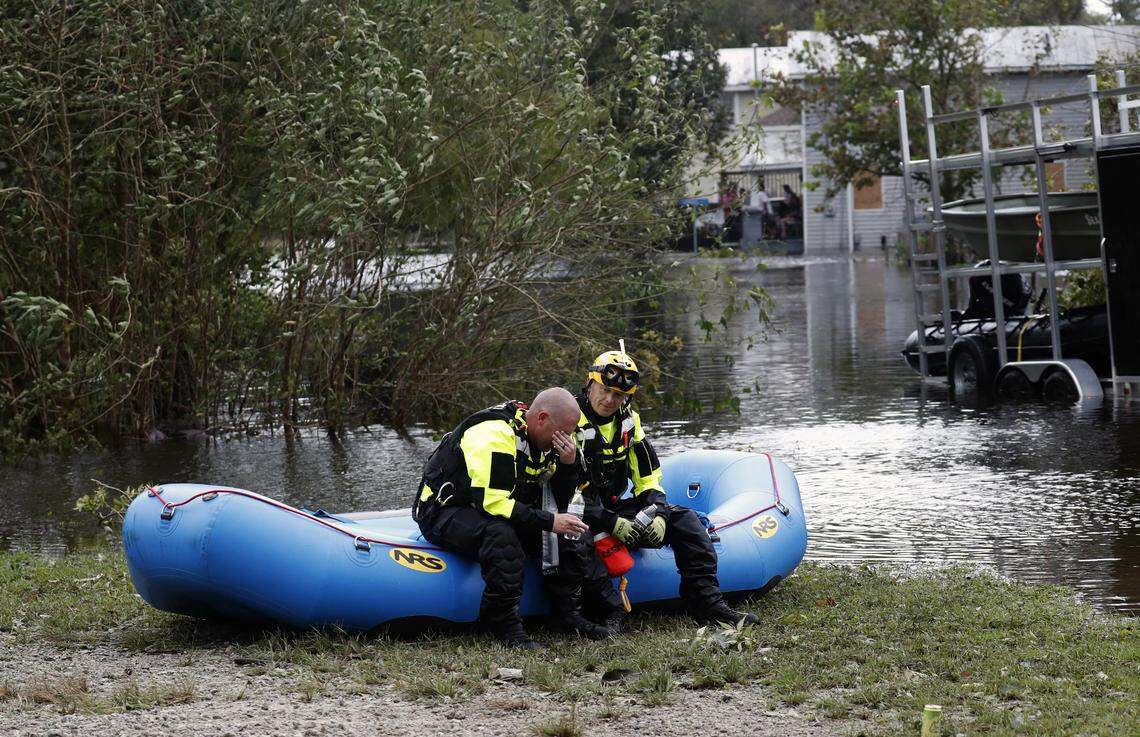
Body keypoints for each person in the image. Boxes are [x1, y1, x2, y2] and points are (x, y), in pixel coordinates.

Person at [576, 348, 759, 628]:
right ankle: (602, 611)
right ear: (590, 383)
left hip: (611, 506)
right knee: (578, 540)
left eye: (619, 395)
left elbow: (648, 477)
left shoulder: (628, 423)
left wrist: (657, 512)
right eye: (605, 390)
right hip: (574, 512)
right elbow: (565, 491)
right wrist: (610, 522)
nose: (610, 400)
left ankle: (706, 603)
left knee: (684, 519)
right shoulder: (568, 418)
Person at [412, 388, 609, 649]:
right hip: (443, 511)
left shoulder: (548, 440)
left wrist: (568, 464)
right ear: (541, 418)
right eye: (563, 432)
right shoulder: (494, 435)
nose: (567, 439)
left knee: (570, 530)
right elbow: (492, 503)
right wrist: (549, 521)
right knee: (500, 534)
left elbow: (559, 501)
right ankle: (501, 623)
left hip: (492, 507)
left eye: (571, 433)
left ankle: (567, 614)